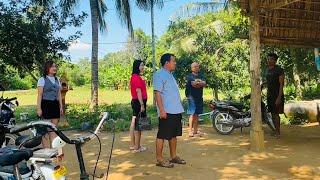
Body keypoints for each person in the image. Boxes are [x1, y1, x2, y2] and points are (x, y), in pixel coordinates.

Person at [153, 53, 186, 168]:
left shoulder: (170, 75)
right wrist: (161, 110)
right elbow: (157, 93)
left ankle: (173, 156)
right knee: (162, 135)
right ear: (167, 63)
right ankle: (159, 159)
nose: (175, 63)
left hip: (176, 110)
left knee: (173, 135)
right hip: (167, 111)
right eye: (173, 61)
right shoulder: (159, 74)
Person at [37, 60, 64, 149]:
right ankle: (47, 151)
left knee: (54, 129)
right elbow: (40, 95)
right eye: (52, 66)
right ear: (47, 68)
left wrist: (61, 106)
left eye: (55, 66)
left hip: (55, 105)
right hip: (46, 105)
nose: (54, 68)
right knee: (45, 130)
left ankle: (54, 150)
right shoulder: (42, 79)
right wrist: (39, 108)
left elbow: (59, 94)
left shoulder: (57, 79)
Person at [129, 60, 148, 153]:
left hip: (136, 101)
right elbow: (138, 91)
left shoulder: (135, 77)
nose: (143, 67)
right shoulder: (136, 77)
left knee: (135, 122)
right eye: (141, 65)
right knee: (138, 125)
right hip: (138, 102)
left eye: (143, 65)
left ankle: (134, 145)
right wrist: (142, 105)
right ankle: (137, 147)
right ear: (137, 66)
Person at [265, 53, 285, 138]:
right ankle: (276, 131)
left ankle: (278, 133)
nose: (269, 60)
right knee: (272, 114)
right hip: (269, 95)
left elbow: (281, 84)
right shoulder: (267, 70)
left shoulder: (279, 70)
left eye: (271, 59)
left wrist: (279, 97)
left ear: (275, 61)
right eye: (268, 59)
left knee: (276, 114)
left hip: (277, 95)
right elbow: (268, 82)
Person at [186, 62, 206, 137]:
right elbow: (193, 84)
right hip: (191, 97)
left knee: (197, 114)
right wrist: (199, 83)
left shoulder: (201, 75)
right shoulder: (190, 76)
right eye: (194, 67)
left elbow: (204, 83)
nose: (196, 68)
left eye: (197, 66)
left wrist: (198, 83)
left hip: (199, 97)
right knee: (192, 113)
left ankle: (195, 131)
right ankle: (190, 131)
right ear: (192, 68)